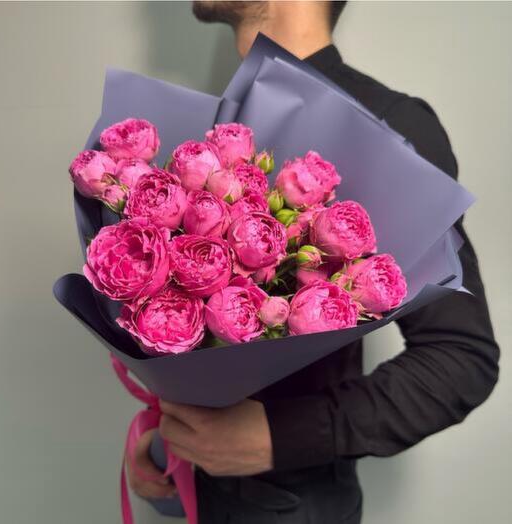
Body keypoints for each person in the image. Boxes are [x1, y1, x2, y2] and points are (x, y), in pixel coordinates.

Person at [127, 2, 500, 522]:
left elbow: (460, 360)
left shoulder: (389, 123)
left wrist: (279, 438)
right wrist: (166, 444)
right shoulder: (216, 125)